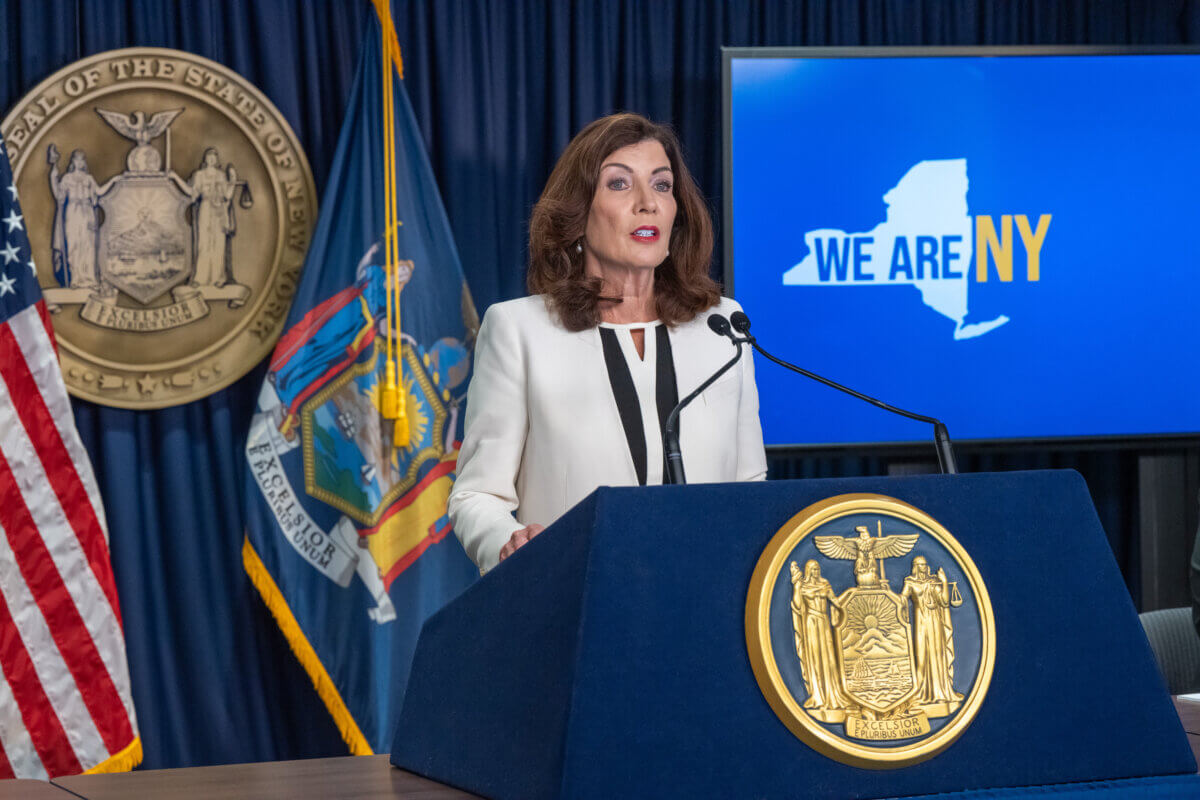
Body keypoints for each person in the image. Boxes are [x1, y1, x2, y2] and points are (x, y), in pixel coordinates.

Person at [448, 113, 766, 573]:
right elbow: (477, 493)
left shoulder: (722, 326)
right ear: (577, 214)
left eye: (662, 185)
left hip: (707, 592)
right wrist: (506, 541)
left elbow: (750, 483)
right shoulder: (520, 330)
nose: (647, 203)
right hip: (573, 591)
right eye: (619, 184)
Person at [900, 556, 963, 705]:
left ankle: (941, 692)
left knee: (937, 654)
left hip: (935, 622)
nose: (924, 567)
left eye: (925, 564)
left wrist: (944, 581)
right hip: (920, 622)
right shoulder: (910, 582)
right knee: (921, 656)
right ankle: (921, 691)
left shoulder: (933, 581)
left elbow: (944, 601)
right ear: (915, 567)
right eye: (921, 565)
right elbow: (901, 599)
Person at [47, 146, 111, 290]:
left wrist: (113, 180)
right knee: (74, 245)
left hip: (87, 213)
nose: (80, 162)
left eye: (82, 160)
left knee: (88, 246)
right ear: (73, 161)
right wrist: (53, 174)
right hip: (73, 213)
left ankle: (90, 279)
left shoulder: (89, 178)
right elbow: (59, 196)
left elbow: (99, 191)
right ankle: (76, 279)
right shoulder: (67, 178)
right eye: (77, 159)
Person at [791, 560, 851, 711]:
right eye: (813, 569)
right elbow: (797, 605)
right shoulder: (803, 586)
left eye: (817, 569)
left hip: (823, 621)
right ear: (808, 571)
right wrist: (796, 587)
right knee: (815, 657)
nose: (816, 572)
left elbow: (835, 601)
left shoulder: (824, 583)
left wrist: (848, 602)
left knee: (828, 658)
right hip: (811, 622)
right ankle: (818, 696)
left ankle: (832, 694)